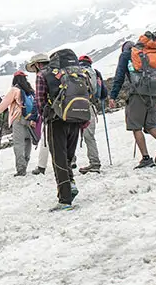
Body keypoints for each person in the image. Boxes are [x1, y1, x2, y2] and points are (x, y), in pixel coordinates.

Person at [108, 33, 156, 169]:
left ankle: (145, 158)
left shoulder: (127, 55)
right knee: (151, 125)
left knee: (136, 126)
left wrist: (113, 96)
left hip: (138, 95)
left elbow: (119, 76)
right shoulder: (152, 52)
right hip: (155, 92)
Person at [37, 49, 88, 211]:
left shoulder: (44, 74)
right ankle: (70, 185)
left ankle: (65, 199)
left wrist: (47, 115)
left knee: (59, 159)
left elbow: (40, 101)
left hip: (56, 120)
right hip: (77, 118)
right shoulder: (80, 72)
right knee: (68, 157)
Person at [0, 71, 37, 176]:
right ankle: (25, 164)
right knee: (27, 142)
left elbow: (3, 105)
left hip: (18, 118)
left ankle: (21, 169)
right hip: (30, 119)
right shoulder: (30, 91)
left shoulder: (14, 90)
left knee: (18, 144)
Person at [77, 55, 108, 174]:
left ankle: (70, 162)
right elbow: (103, 93)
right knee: (89, 137)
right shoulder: (96, 73)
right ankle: (95, 163)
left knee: (72, 136)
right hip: (89, 107)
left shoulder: (76, 73)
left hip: (74, 108)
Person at [25, 54, 52, 176]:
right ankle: (70, 160)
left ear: (37, 64)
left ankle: (41, 167)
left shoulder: (41, 75)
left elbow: (39, 99)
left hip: (49, 114)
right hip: (63, 111)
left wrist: (38, 116)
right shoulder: (57, 73)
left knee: (45, 141)